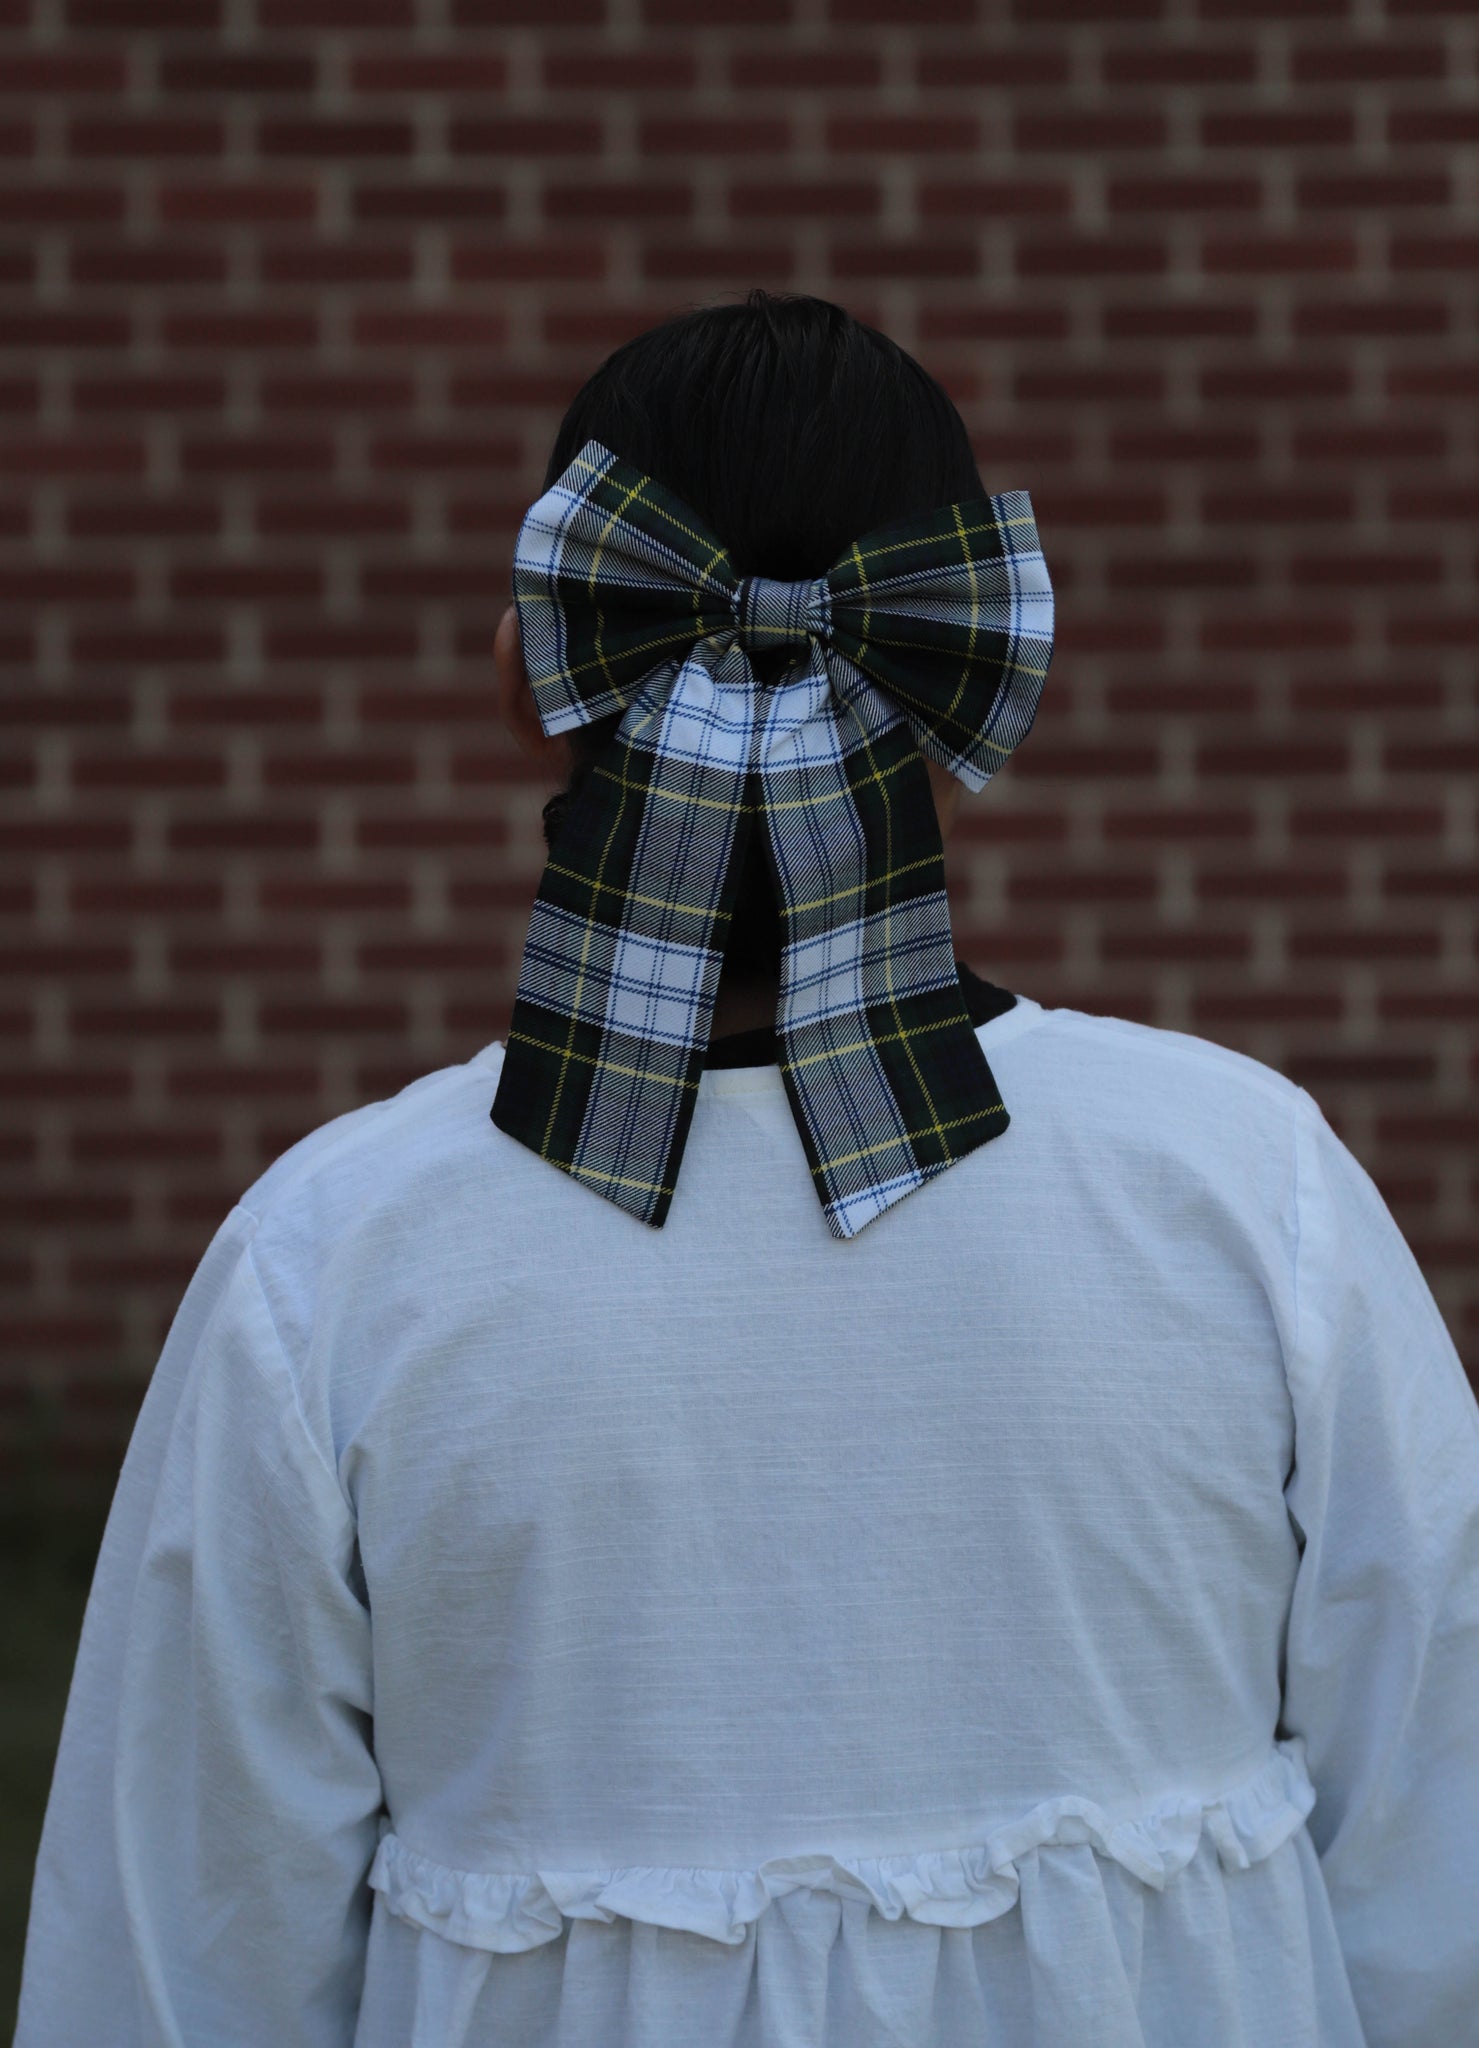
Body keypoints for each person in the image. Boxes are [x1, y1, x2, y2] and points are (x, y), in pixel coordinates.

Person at [14, 290, 1479, 2048]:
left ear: (526, 676)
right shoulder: (1253, 1189)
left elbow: (182, 1954)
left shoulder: (332, 1257)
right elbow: (1439, 1859)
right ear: (974, 682)